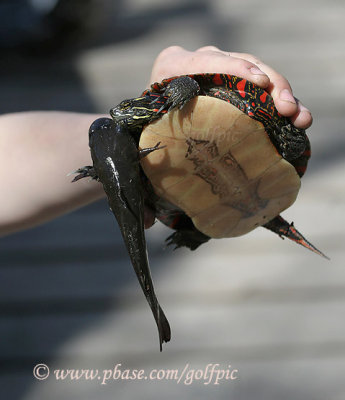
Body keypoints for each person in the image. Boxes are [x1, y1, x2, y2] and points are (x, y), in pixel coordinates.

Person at [0, 46, 313, 237]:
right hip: (213, 203)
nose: (123, 115)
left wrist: (111, 163)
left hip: (237, 173)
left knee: (286, 132)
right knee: (290, 137)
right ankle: (192, 234)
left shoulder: (152, 119)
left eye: (130, 111)